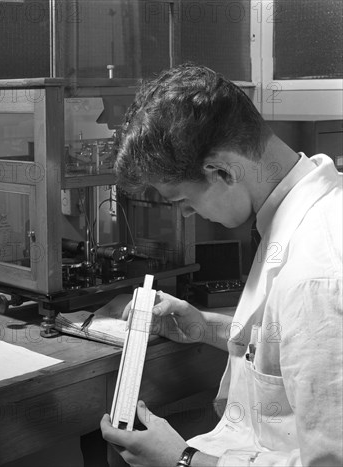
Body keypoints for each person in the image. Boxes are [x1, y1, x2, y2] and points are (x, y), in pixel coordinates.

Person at [99, 64, 342, 467]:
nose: (187, 215)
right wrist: (205, 326)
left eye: (182, 201)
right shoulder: (303, 209)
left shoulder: (317, 274)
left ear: (223, 170)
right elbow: (291, 348)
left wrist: (181, 460)